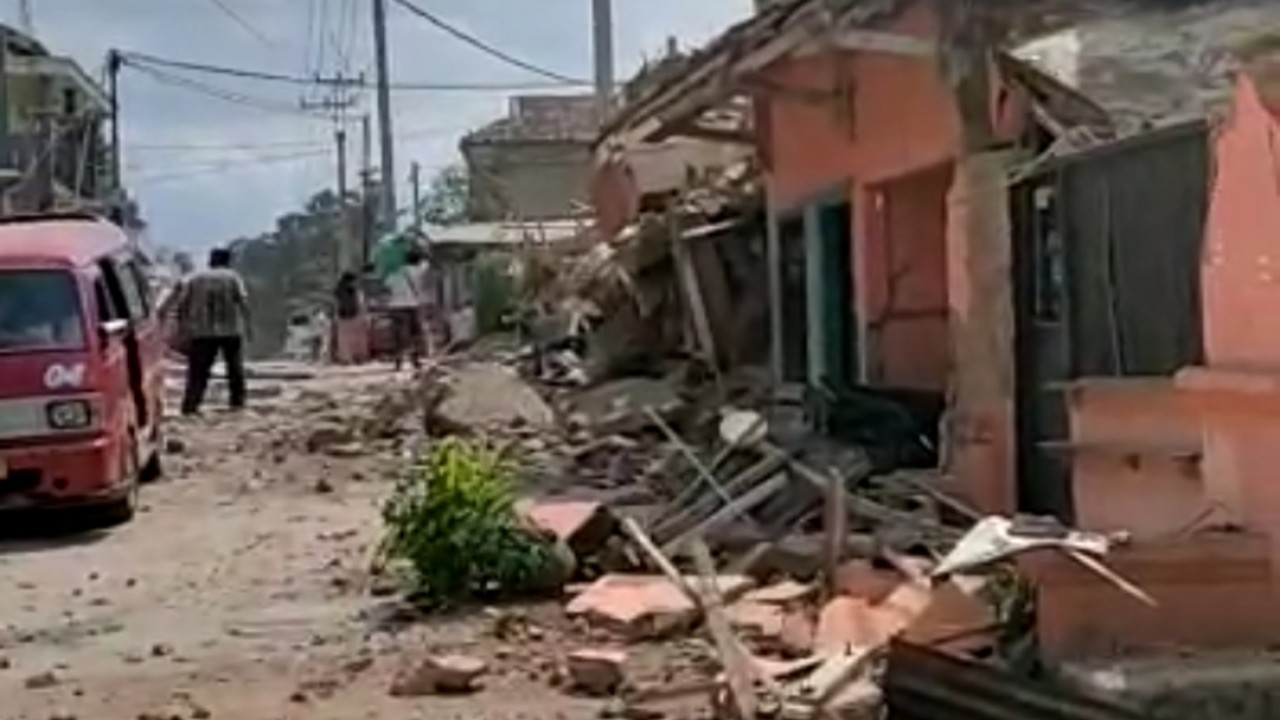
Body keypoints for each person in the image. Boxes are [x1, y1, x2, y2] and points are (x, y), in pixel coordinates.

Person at [177, 247, 250, 415]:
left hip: (201, 332)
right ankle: (237, 403)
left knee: (198, 371)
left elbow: (182, 304)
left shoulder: (196, 278)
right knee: (235, 369)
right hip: (230, 330)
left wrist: (183, 327)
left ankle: (191, 406)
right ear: (227, 261)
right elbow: (243, 302)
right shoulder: (233, 277)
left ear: (212, 260)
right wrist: (248, 325)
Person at [384, 247, 426, 371]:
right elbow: (426, 264)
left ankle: (398, 362)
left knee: (399, 337)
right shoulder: (419, 271)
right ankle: (415, 360)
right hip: (412, 306)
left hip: (395, 307)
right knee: (415, 335)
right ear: (417, 261)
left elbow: (387, 285)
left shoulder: (395, 272)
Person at [332, 270, 368, 364]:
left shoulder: (338, 290)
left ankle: (346, 358)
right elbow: (360, 303)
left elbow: (336, 304)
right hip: (355, 315)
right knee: (358, 338)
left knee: (344, 340)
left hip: (342, 315)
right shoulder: (355, 290)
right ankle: (359, 357)